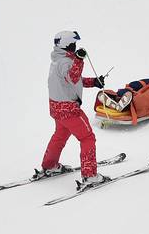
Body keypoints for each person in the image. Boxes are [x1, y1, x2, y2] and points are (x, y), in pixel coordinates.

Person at [39, 31, 108, 187]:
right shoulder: (66, 62)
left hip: (57, 108)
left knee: (60, 136)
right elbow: (73, 77)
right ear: (67, 45)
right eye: (73, 44)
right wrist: (79, 59)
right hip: (69, 109)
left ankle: (50, 165)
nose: (75, 46)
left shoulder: (57, 60)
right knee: (87, 138)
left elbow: (69, 81)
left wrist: (93, 82)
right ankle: (90, 175)